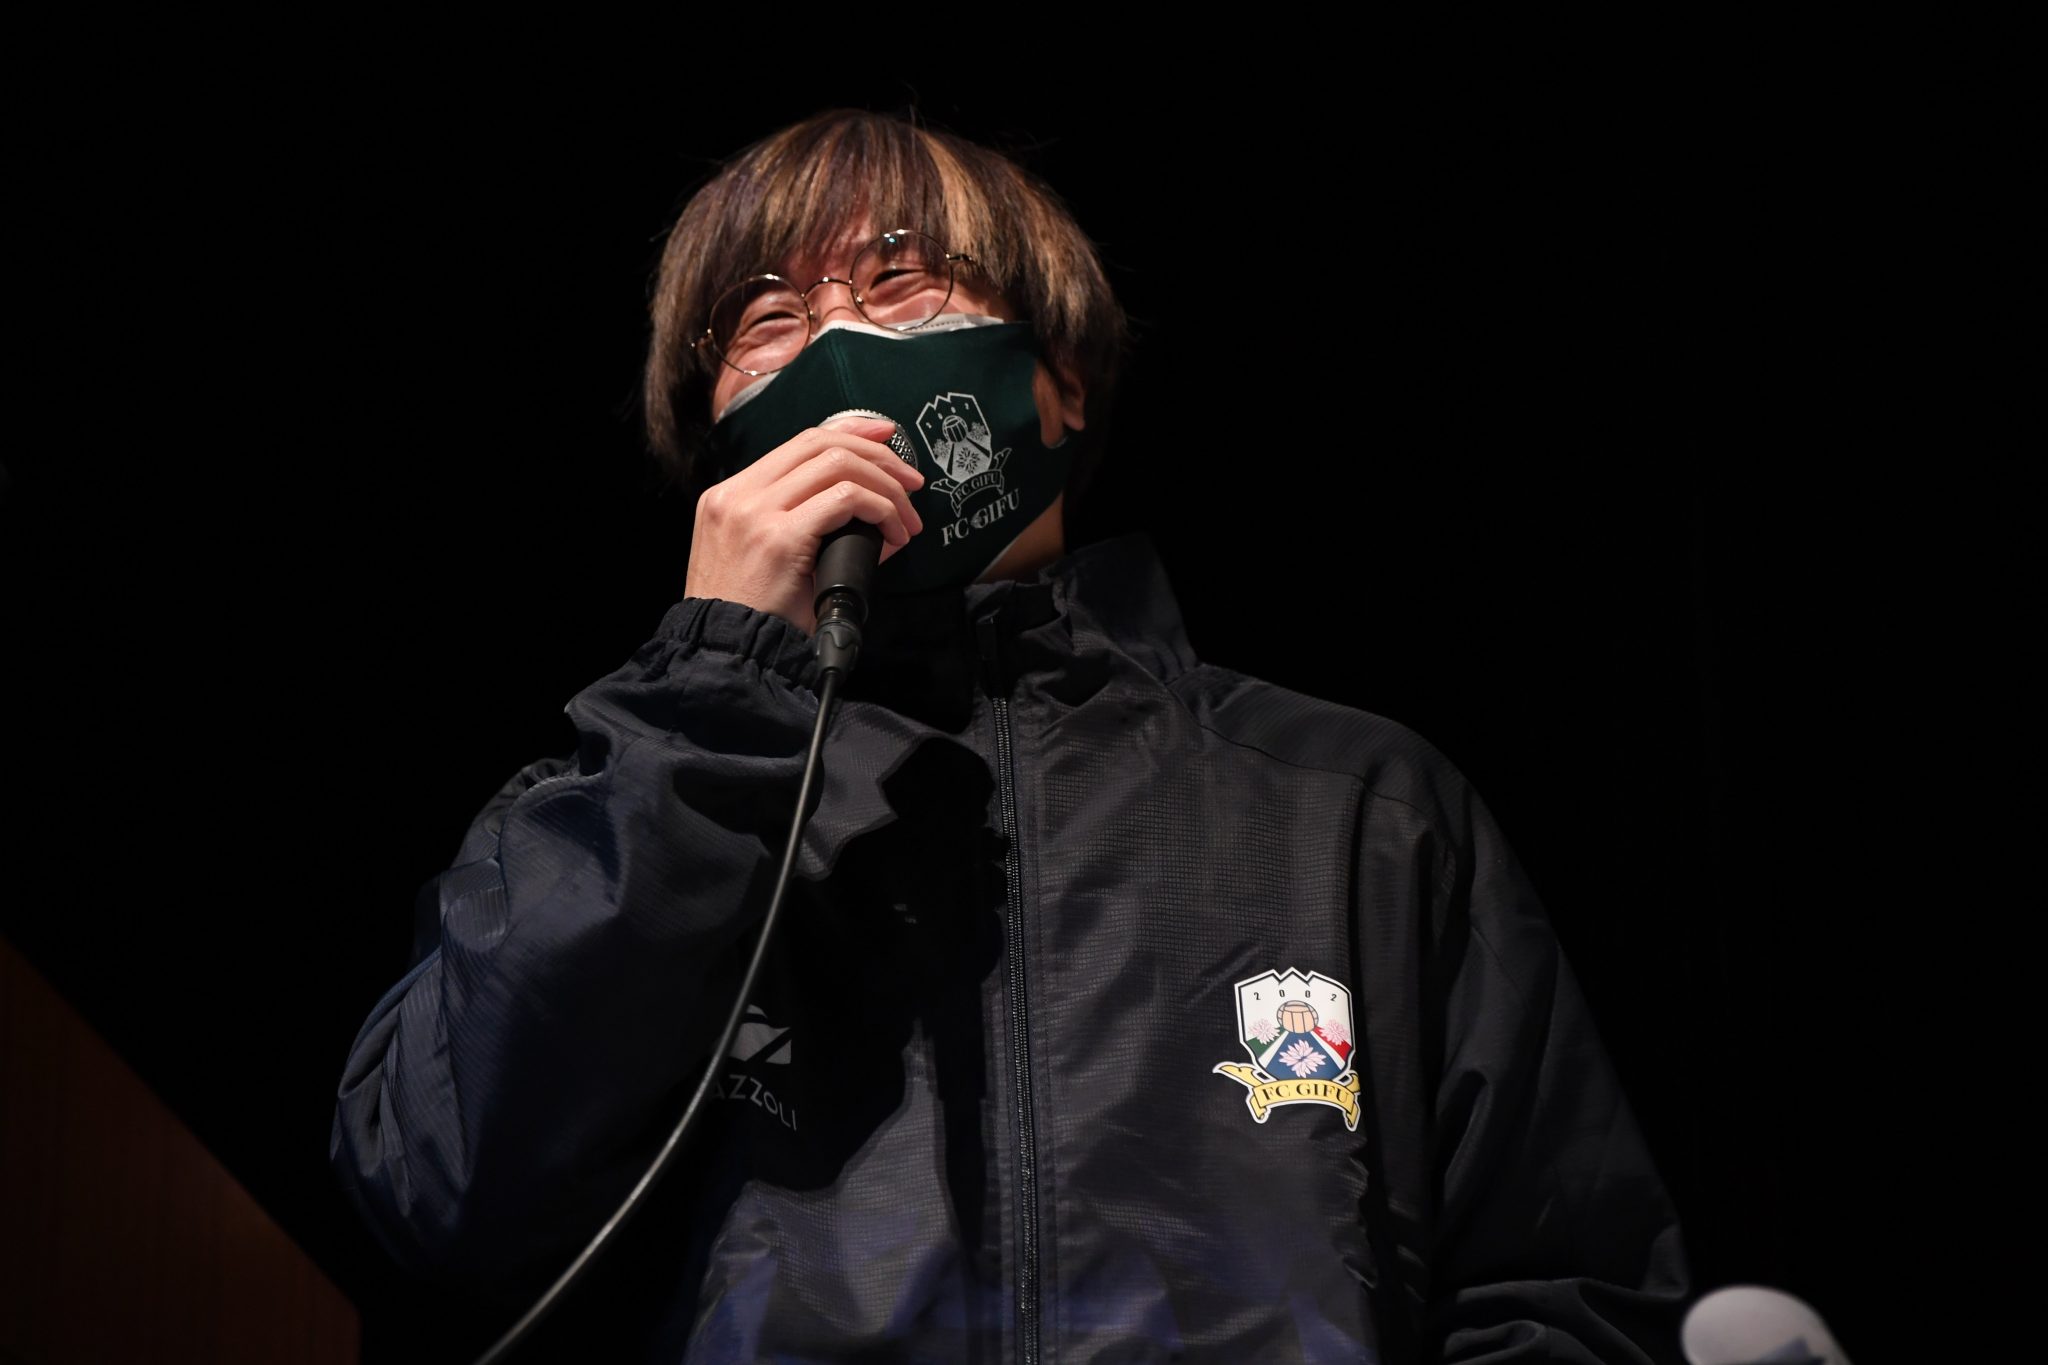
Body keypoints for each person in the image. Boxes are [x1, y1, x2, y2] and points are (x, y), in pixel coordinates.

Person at [330, 108, 1690, 1363]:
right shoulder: (618, 796)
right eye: (767, 313)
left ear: (1061, 381)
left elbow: (1567, 1293)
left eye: (901, 281)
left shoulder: (1357, 806)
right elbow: (441, 1195)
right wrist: (705, 696)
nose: (836, 343)